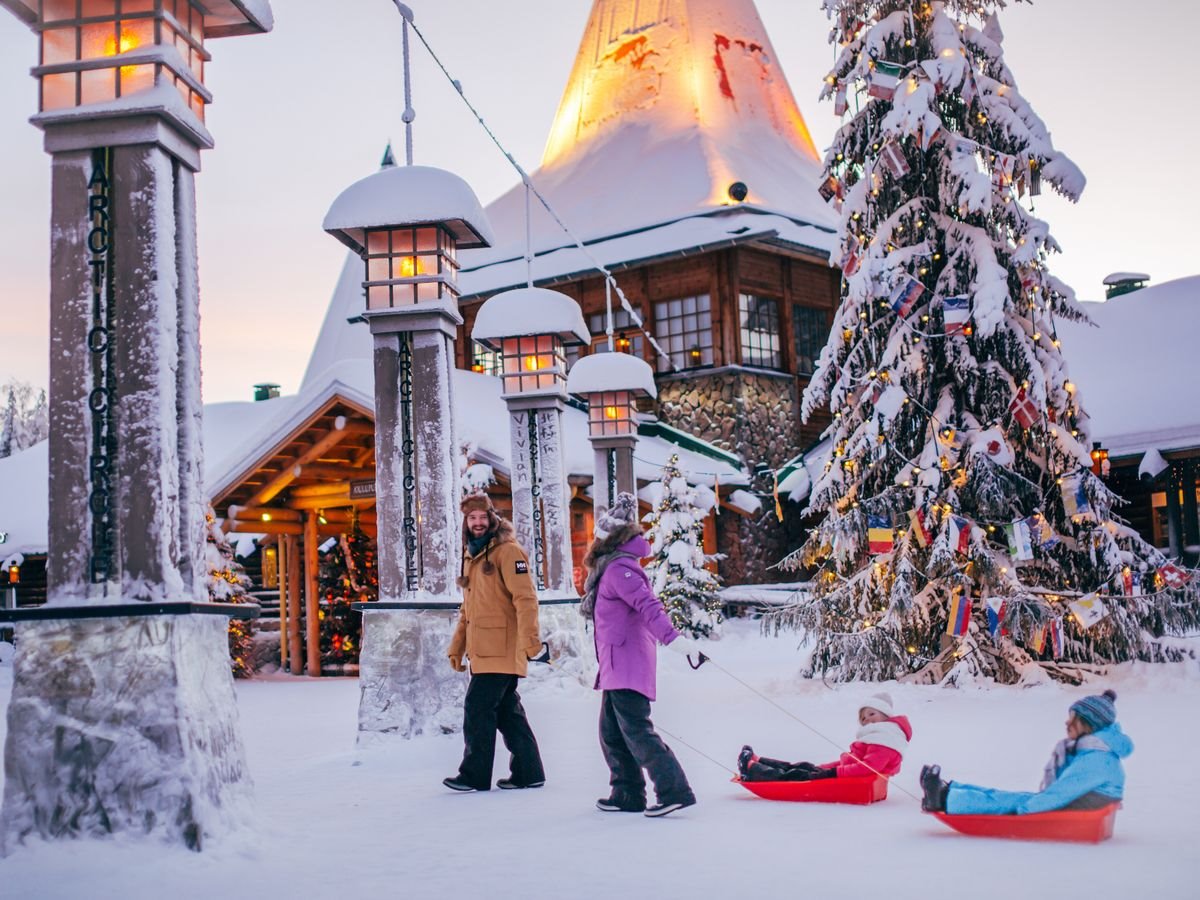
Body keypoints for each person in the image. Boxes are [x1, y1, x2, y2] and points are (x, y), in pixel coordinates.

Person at [581, 492, 697, 818]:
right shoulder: (612, 567)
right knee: (612, 732)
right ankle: (627, 794)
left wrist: (675, 639)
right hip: (615, 664)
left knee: (636, 731)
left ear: (609, 538)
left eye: (598, 535)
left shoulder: (620, 569)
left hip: (627, 663)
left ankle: (675, 791)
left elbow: (648, 606)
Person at [444, 493, 546, 792]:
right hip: (482, 648)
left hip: (503, 645)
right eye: (472, 518)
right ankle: (529, 772)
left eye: (482, 517)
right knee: (506, 712)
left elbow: (526, 599)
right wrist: (457, 646)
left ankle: (474, 775)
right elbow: (469, 608)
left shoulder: (508, 552)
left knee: (477, 707)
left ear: (492, 518)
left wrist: (531, 640)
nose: (477, 522)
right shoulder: (471, 555)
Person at [920, 689, 1132, 815]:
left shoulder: (1096, 760)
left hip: (1067, 811)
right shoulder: (1095, 752)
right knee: (1008, 796)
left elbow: (1058, 794)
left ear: (1087, 724)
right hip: (1070, 806)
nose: (1067, 723)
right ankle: (949, 790)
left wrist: (1022, 812)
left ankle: (945, 799)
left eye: (1073, 719)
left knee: (1009, 802)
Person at [737, 693, 912, 782]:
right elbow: (851, 762)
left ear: (886, 716)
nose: (867, 720)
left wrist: (832, 773)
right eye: (863, 718)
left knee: (797, 775)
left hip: (855, 784)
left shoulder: (885, 741)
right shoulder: (877, 738)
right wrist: (823, 768)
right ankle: (758, 760)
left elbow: (867, 769)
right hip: (849, 778)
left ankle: (753, 771)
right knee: (804, 767)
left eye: (871, 714)